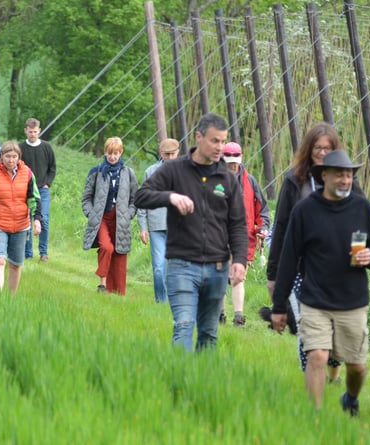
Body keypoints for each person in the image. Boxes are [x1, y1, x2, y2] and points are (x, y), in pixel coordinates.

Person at [271, 150, 370, 415]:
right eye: (339, 174)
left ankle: (351, 398)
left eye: (349, 174)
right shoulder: (305, 211)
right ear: (324, 176)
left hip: (352, 301)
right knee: (317, 356)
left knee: (356, 367)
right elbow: (288, 259)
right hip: (315, 299)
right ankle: (316, 417)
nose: (345, 179)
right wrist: (278, 306)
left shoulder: (361, 207)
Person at [134, 113, 248, 351]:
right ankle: (178, 382)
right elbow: (141, 196)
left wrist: (239, 260)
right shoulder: (175, 170)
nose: (220, 148)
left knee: (208, 333)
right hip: (182, 265)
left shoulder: (227, 179)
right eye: (214, 141)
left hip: (217, 268)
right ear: (198, 137)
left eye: (223, 142)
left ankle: (201, 385)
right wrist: (170, 197)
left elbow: (237, 223)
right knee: (184, 325)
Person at [266, 122, 347, 379]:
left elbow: (360, 219)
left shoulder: (345, 180)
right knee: (307, 328)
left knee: (336, 330)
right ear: (308, 149)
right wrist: (273, 274)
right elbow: (280, 228)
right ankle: (312, 380)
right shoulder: (294, 181)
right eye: (317, 148)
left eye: (328, 148)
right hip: (301, 268)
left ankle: (333, 365)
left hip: (336, 270)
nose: (322, 153)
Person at [0, 141, 42, 294]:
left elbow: (34, 199)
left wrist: (37, 219)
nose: (11, 160)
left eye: (14, 157)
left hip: (20, 225)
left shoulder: (27, 173)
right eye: (8, 157)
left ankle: (10, 299)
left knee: (16, 264)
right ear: (1, 157)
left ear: (19, 157)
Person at [219, 141, 270, 327]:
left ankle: (239, 316)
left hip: (244, 238)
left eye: (235, 161)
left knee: (238, 277)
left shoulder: (250, 181)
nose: (232, 165)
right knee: (221, 278)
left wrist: (263, 227)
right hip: (218, 238)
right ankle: (220, 314)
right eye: (229, 161)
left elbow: (261, 209)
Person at [82, 137, 138, 295]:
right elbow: (86, 198)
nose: (112, 157)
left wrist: (128, 215)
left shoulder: (128, 173)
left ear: (121, 153)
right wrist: (91, 214)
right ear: (105, 153)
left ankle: (116, 291)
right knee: (106, 247)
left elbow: (135, 199)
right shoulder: (96, 172)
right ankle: (102, 284)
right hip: (102, 217)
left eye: (116, 153)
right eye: (109, 153)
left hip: (120, 218)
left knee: (120, 252)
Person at [137, 138, 180, 303]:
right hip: (156, 227)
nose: (169, 157)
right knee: (159, 267)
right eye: (166, 154)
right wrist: (143, 226)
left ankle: (172, 300)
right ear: (161, 153)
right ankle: (160, 300)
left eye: (173, 154)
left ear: (178, 153)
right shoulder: (151, 172)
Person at [19, 118, 57, 262]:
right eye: (30, 132)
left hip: (42, 189)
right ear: (26, 131)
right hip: (25, 189)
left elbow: (52, 167)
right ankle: (28, 253)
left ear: (39, 131)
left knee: (43, 219)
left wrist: (48, 183)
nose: (33, 134)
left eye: (35, 132)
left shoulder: (46, 147)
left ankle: (43, 252)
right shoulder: (21, 147)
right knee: (26, 220)